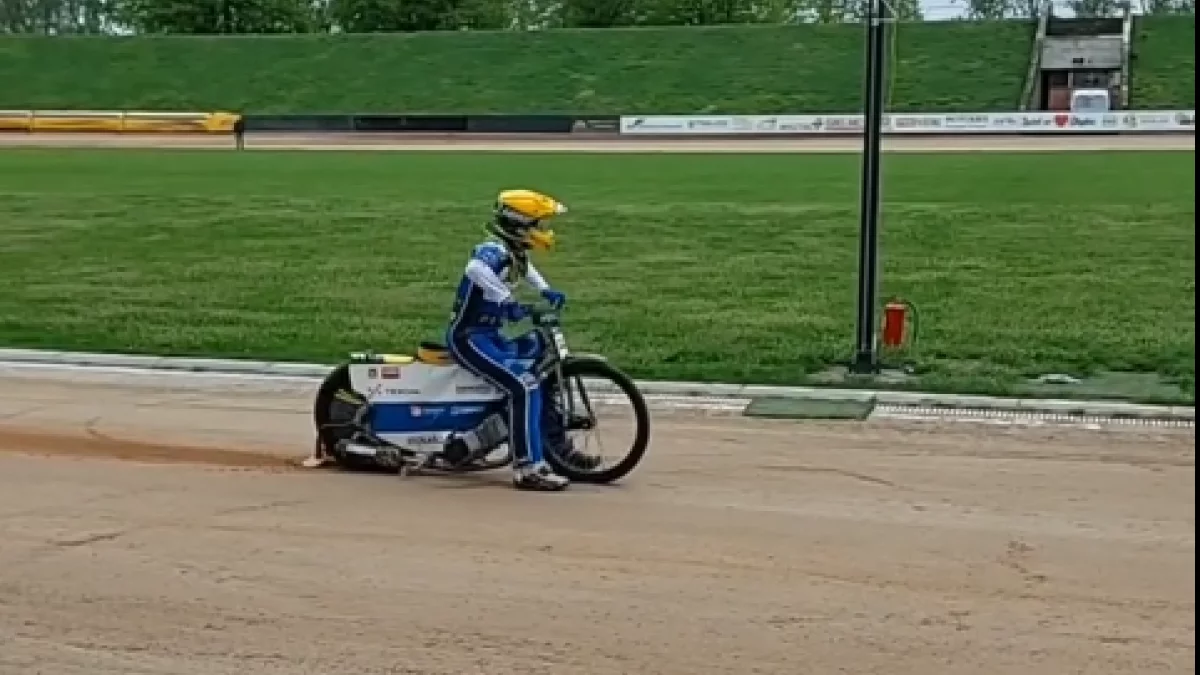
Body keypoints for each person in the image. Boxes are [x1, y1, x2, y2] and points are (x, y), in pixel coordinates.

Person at [445, 189, 595, 492]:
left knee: (542, 372)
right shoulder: (493, 250)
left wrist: (545, 289)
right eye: (537, 225)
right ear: (518, 224)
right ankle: (527, 468)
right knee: (524, 386)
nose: (543, 232)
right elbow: (474, 269)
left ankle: (555, 450)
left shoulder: (513, 252)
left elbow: (526, 271)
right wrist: (507, 300)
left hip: (492, 336)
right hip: (469, 338)